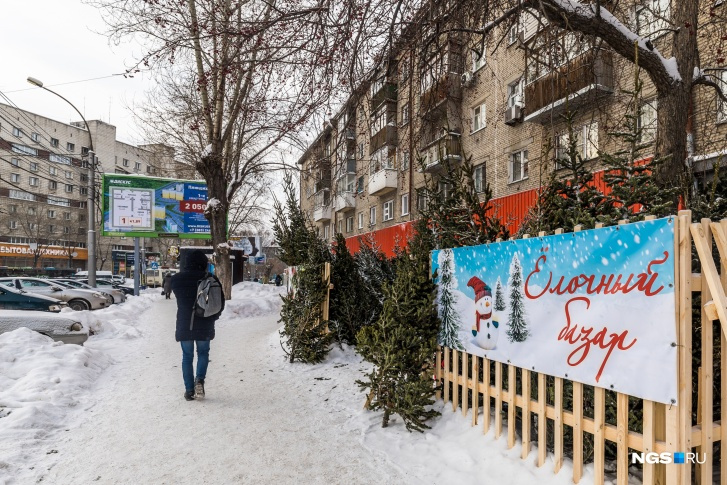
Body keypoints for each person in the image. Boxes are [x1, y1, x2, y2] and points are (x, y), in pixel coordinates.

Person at [171, 250, 225, 401]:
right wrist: (213, 317)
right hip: (205, 322)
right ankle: (199, 380)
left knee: (187, 357)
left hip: (184, 323)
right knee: (203, 353)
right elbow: (220, 302)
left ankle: (189, 390)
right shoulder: (210, 278)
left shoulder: (177, 280)